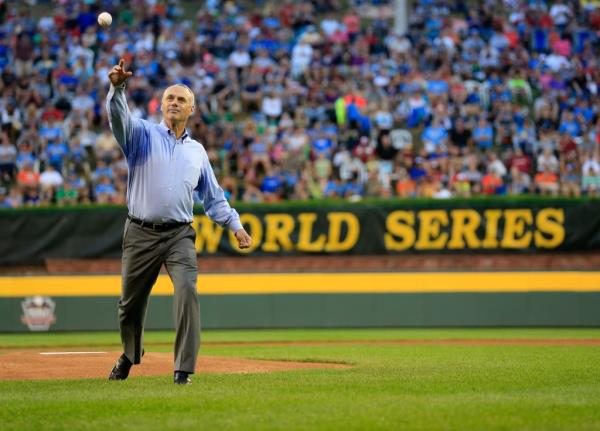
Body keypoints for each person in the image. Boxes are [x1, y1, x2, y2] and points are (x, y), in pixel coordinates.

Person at [105, 59, 252, 385]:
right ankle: (130, 354)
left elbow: (213, 197)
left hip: (179, 235)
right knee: (129, 305)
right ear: (161, 105)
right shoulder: (141, 133)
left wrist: (235, 226)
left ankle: (182, 370)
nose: (174, 102)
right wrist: (117, 89)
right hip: (140, 232)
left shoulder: (197, 152)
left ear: (192, 110)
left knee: (187, 291)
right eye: (169, 98)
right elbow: (118, 119)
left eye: (181, 99)